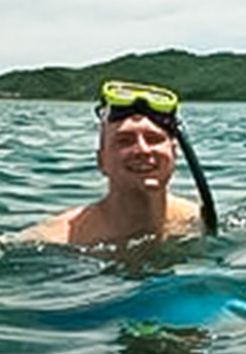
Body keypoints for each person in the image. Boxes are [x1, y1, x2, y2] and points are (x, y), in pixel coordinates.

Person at [21, 80, 218, 249]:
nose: (143, 150)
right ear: (101, 161)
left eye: (153, 139)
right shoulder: (58, 239)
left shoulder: (200, 222)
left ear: (174, 155)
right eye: (125, 141)